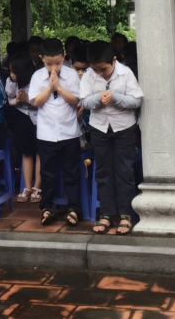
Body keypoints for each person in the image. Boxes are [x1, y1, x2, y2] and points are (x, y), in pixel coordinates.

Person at [80, 40, 143, 235]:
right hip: (99, 128)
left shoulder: (126, 73)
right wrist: (98, 98)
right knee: (103, 171)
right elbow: (84, 101)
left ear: (114, 60)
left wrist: (115, 97)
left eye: (103, 70)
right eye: (95, 70)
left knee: (124, 171)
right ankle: (106, 213)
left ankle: (125, 215)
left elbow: (136, 101)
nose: (99, 73)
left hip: (124, 128)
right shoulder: (89, 75)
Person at [29, 38, 82, 226]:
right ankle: (46, 207)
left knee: (72, 172)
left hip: (69, 132)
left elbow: (75, 100)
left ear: (64, 57)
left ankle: (74, 208)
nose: (54, 68)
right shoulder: (37, 76)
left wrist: (59, 86)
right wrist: (50, 87)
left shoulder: (71, 75)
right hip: (46, 133)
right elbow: (36, 102)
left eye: (58, 63)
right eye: (48, 64)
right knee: (48, 173)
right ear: (41, 59)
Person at [5, 51, 41, 202]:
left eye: (14, 72)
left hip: (38, 119)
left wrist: (28, 100)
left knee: (39, 152)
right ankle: (27, 187)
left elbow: (42, 103)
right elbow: (10, 100)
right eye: (10, 71)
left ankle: (37, 187)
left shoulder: (37, 81)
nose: (11, 75)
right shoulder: (10, 82)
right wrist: (17, 101)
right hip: (21, 118)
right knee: (26, 152)